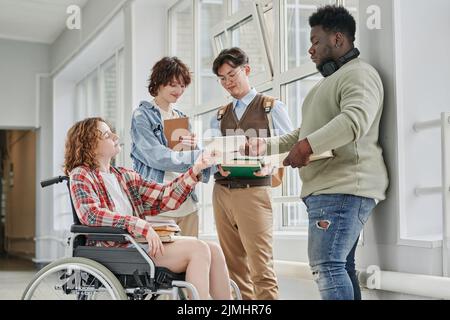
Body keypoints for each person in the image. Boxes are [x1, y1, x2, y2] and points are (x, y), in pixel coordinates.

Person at [247, 5, 389, 300]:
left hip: (343, 188)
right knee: (340, 266)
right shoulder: (326, 86)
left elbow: (354, 121)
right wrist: (267, 145)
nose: (310, 50)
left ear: (337, 40)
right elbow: (304, 132)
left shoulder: (359, 74)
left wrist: (306, 148)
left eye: (315, 41)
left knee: (326, 266)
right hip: (330, 190)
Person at [65, 117, 232, 300]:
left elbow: (164, 197)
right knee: (199, 249)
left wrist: (196, 169)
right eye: (106, 134)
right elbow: (91, 214)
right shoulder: (81, 174)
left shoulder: (124, 176)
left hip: (137, 245)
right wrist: (138, 224)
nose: (114, 136)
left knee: (214, 249)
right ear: (89, 145)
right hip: (116, 249)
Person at [210, 47, 293, 300]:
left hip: (254, 192)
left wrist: (271, 162)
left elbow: (291, 144)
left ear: (246, 70)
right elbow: (212, 150)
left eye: (232, 74)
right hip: (221, 192)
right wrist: (216, 164)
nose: (228, 82)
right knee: (234, 270)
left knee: (261, 268)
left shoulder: (270, 108)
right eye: (222, 79)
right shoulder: (220, 114)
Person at [131, 57, 208, 237]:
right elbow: (155, 156)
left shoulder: (180, 116)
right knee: (164, 261)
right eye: (173, 85)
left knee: (193, 259)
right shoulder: (142, 116)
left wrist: (193, 147)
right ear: (159, 82)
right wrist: (197, 155)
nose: (179, 91)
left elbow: (192, 163)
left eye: (182, 86)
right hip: (158, 203)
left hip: (187, 202)